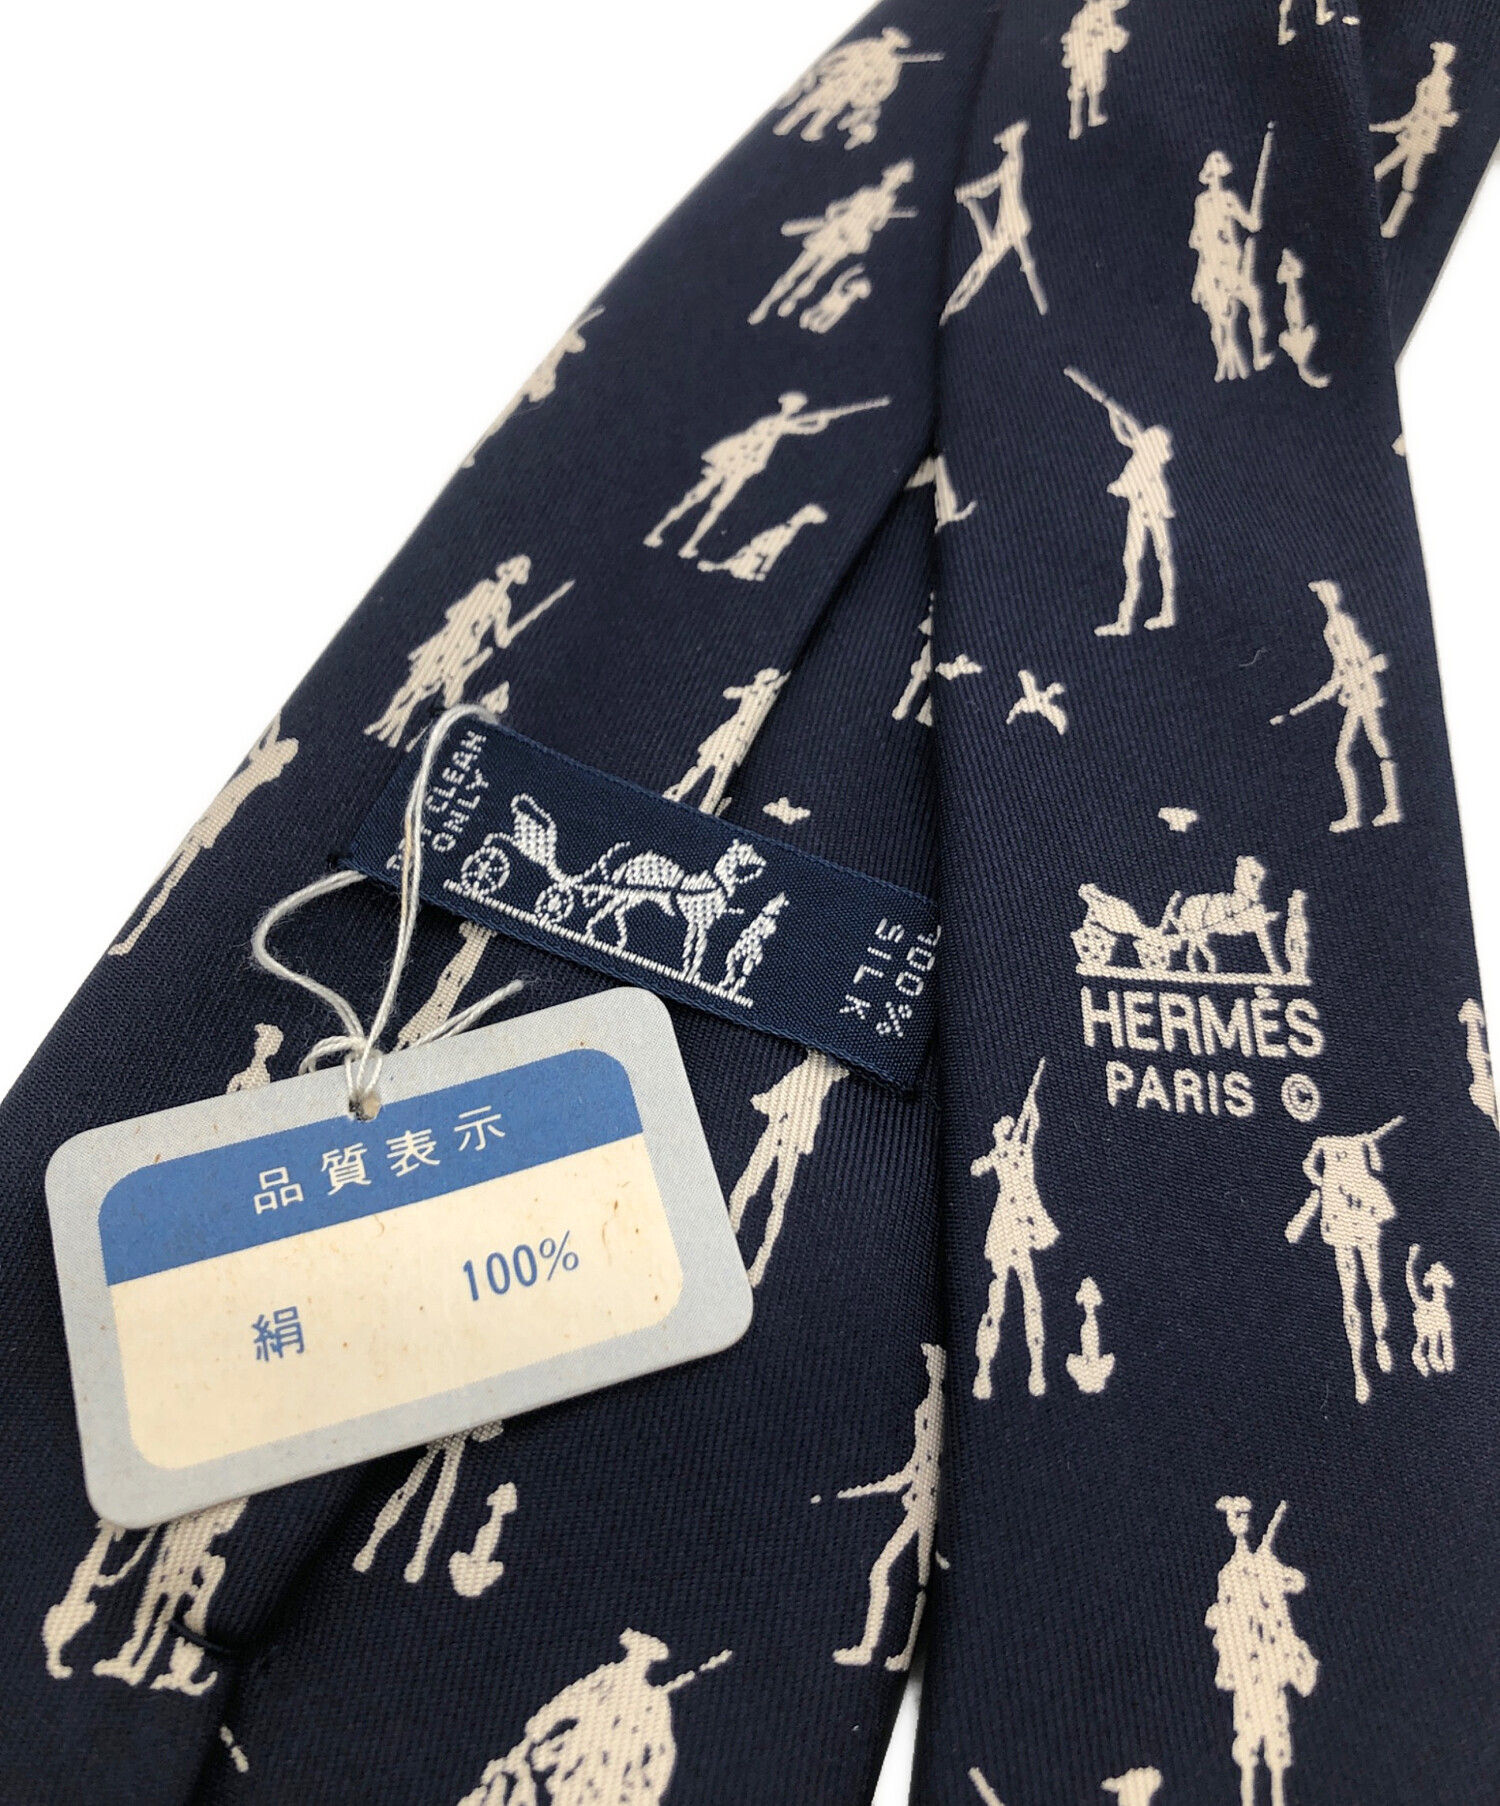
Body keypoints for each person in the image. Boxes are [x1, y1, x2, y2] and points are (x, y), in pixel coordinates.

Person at [1205, 1498, 1319, 1806]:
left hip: (1271, 1661)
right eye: (1234, 1517)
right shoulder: (1229, 1573)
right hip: (1246, 1664)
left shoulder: (1265, 1563)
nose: (1239, 1522)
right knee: (1248, 1737)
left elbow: (1294, 1582)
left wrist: (1271, 1573)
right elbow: (1223, 1613)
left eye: (1242, 1516)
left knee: (1277, 1735)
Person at [972, 1060, 1057, 1399]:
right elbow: (976, 1168)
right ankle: (983, 1370)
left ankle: (1037, 1370)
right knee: (999, 1297)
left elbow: (1030, 1125)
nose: (1006, 1129)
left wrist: (1031, 1102)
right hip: (1007, 1223)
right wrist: (994, 1154)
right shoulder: (1001, 1155)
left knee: (1030, 1297)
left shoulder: (1021, 1150)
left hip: (1022, 1221)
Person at [1372, 43, 1459, 239]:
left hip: (1418, 138)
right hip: (1415, 135)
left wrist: (1444, 119)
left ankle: (1390, 224)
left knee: (1397, 176)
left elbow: (1428, 114)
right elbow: (1416, 114)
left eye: (1439, 54)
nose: (1436, 57)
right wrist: (1382, 127)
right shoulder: (1431, 82)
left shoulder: (1439, 84)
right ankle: (1388, 223)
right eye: (1437, 54)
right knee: (1397, 176)